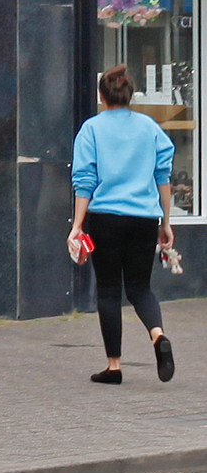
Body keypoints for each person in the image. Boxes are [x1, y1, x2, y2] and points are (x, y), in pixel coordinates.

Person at [69, 64, 177, 385]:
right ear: (131, 97)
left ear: (102, 97)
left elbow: (84, 180)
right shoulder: (150, 128)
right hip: (145, 217)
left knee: (109, 290)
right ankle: (158, 336)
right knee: (140, 288)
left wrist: (77, 225)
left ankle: (114, 366)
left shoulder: (91, 129)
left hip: (105, 219)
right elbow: (163, 178)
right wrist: (166, 222)